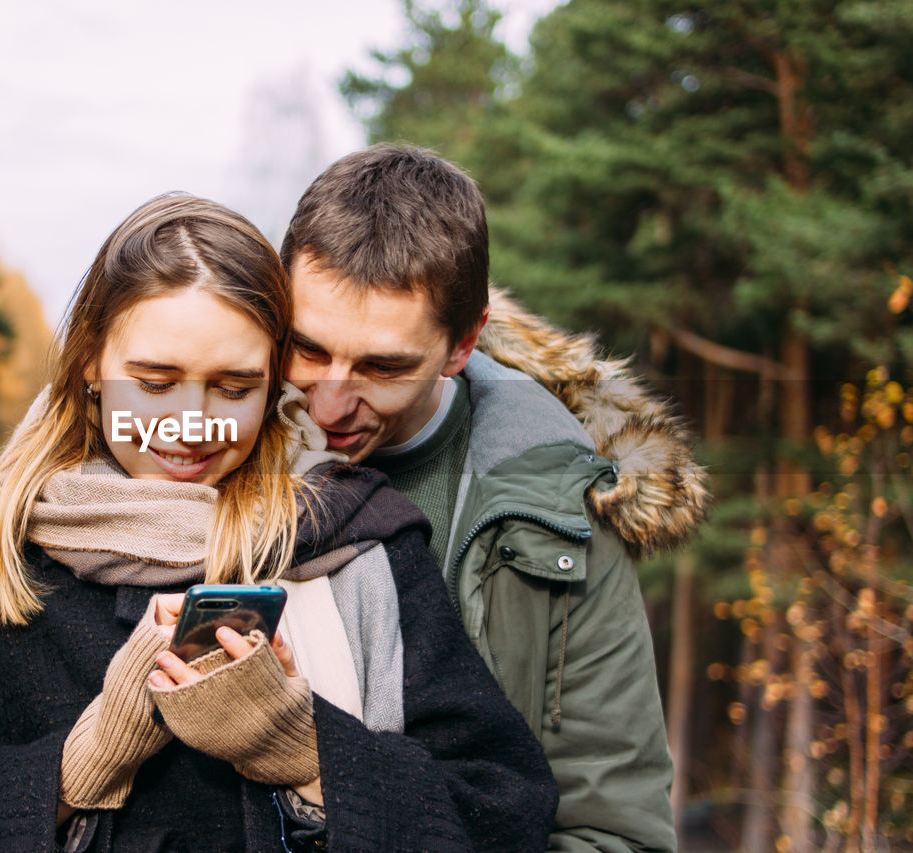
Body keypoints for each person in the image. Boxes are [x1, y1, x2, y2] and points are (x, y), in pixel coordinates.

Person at [0, 193, 559, 852]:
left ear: (273, 387)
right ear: (91, 360)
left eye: (234, 386)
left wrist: (308, 751)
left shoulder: (360, 546)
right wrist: (77, 766)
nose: (190, 422)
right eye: (155, 381)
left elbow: (506, 814)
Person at [280, 144, 710, 852]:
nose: (330, 401)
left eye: (383, 365)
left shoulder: (563, 512)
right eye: (308, 349)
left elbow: (613, 830)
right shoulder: (200, 452)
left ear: (462, 341)